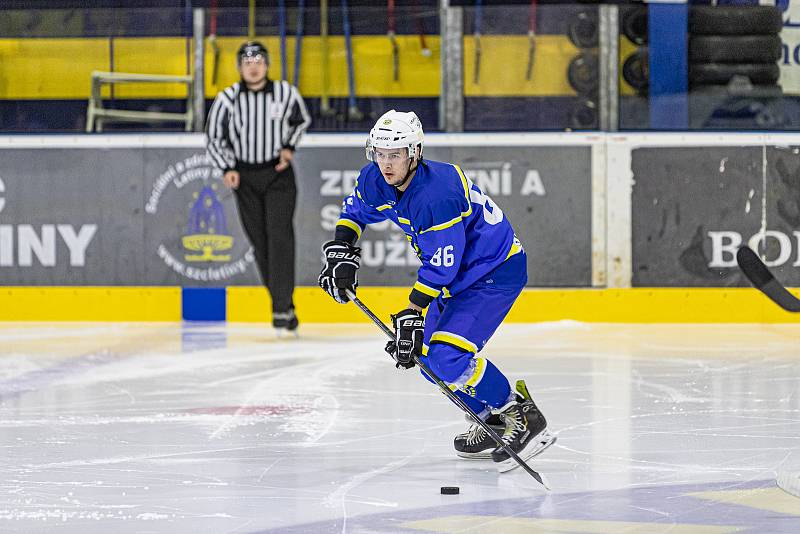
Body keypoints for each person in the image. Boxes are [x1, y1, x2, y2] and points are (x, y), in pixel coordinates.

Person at [318, 110, 556, 470]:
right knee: (426, 358)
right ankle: (486, 419)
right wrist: (342, 250)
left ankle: (521, 415)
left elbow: (443, 264)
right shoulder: (376, 179)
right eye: (379, 153)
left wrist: (414, 311)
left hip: (493, 272)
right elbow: (355, 211)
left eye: (395, 154)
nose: (386, 163)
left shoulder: (436, 194)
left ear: (414, 152)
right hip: (460, 278)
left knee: (448, 357)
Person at [206, 41, 311, 335]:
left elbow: (302, 121)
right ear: (240, 67)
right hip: (245, 178)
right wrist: (227, 167)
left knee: (280, 238)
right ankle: (284, 304)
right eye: (247, 61)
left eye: (259, 60)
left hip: (278, 176)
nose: (253, 66)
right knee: (260, 244)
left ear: (267, 65)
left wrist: (289, 147)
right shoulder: (227, 99)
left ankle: (280, 308)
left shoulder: (285, 93)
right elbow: (214, 137)